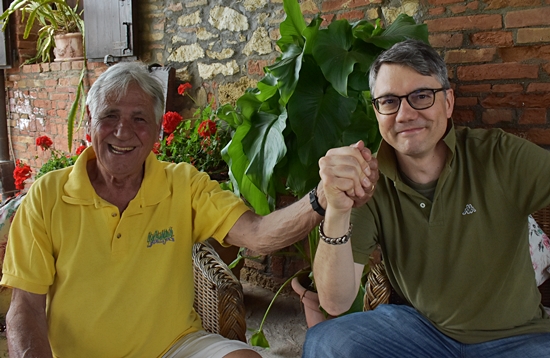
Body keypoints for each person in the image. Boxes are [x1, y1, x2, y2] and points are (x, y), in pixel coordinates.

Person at [0, 61, 378, 358]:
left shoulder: (182, 183)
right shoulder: (48, 195)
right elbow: (25, 309)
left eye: (139, 119)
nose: (122, 132)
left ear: (157, 132)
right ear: (88, 121)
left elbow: (259, 235)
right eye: (110, 116)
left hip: (175, 347)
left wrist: (321, 198)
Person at [303, 39, 550, 357]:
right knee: (327, 342)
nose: (404, 114)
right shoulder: (368, 182)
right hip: (420, 332)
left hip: (517, 339)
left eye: (421, 96)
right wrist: (337, 209)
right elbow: (335, 302)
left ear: (447, 102)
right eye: (389, 101)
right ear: (378, 112)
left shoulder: (498, 155)